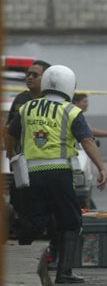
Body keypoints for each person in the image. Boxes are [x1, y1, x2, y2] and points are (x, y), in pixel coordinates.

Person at [6, 65, 107, 284]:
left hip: (30, 172)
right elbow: (87, 140)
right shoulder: (71, 111)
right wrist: (101, 167)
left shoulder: (27, 108)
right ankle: (65, 272)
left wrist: (11, 154)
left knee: (32, 220)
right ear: (69, 86)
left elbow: (10, 133)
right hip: (58, 173)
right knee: (70, 221)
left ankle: (18, 268)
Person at [5, 60, 51, 245]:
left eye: (35, 75)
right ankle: (25, 248)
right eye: (28, 74)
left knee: (51, 213)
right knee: (22, 208)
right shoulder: (20, 100)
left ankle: (55, 255)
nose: (29, 77)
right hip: (23, 164)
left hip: (49, 165)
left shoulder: (54, 102)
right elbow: (9, 128)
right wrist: (11, 154)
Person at [70, 92, 99, 210]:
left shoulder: (76, 115)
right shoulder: (73, 114)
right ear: (76, 103)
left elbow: (89, 132)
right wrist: (101, 167)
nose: (87, 104)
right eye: (84, 101)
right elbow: (87, 139)